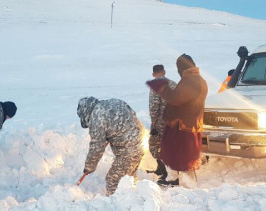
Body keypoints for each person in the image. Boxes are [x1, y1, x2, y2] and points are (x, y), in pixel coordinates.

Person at [146, 54, 208, 188]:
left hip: (184, 125)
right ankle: (173, 179)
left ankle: (187, 186)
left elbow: (175, 98)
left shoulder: (190, 81)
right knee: (174, 152)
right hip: (187, 123)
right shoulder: (197, 80)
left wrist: (161, 88)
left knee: (183, 156)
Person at [77, 97, 144, 195]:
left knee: (113, 179)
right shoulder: (112, 102)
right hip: (141, 141)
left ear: (85, 112)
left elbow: (97, 147)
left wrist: (89, 166)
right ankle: (133, 197)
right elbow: (131, 116)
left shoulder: (96, 118)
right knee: (127, 176)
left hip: (129, 150)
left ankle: (118, 202)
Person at [148, 64, 177, 179]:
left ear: (153, 74)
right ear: (164, 72)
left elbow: (154, 107)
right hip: (175, 120)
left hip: (161, 121)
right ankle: (166, 170)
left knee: (153, 145)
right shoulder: (174, 84)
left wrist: (154, 124)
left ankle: (163, 170)